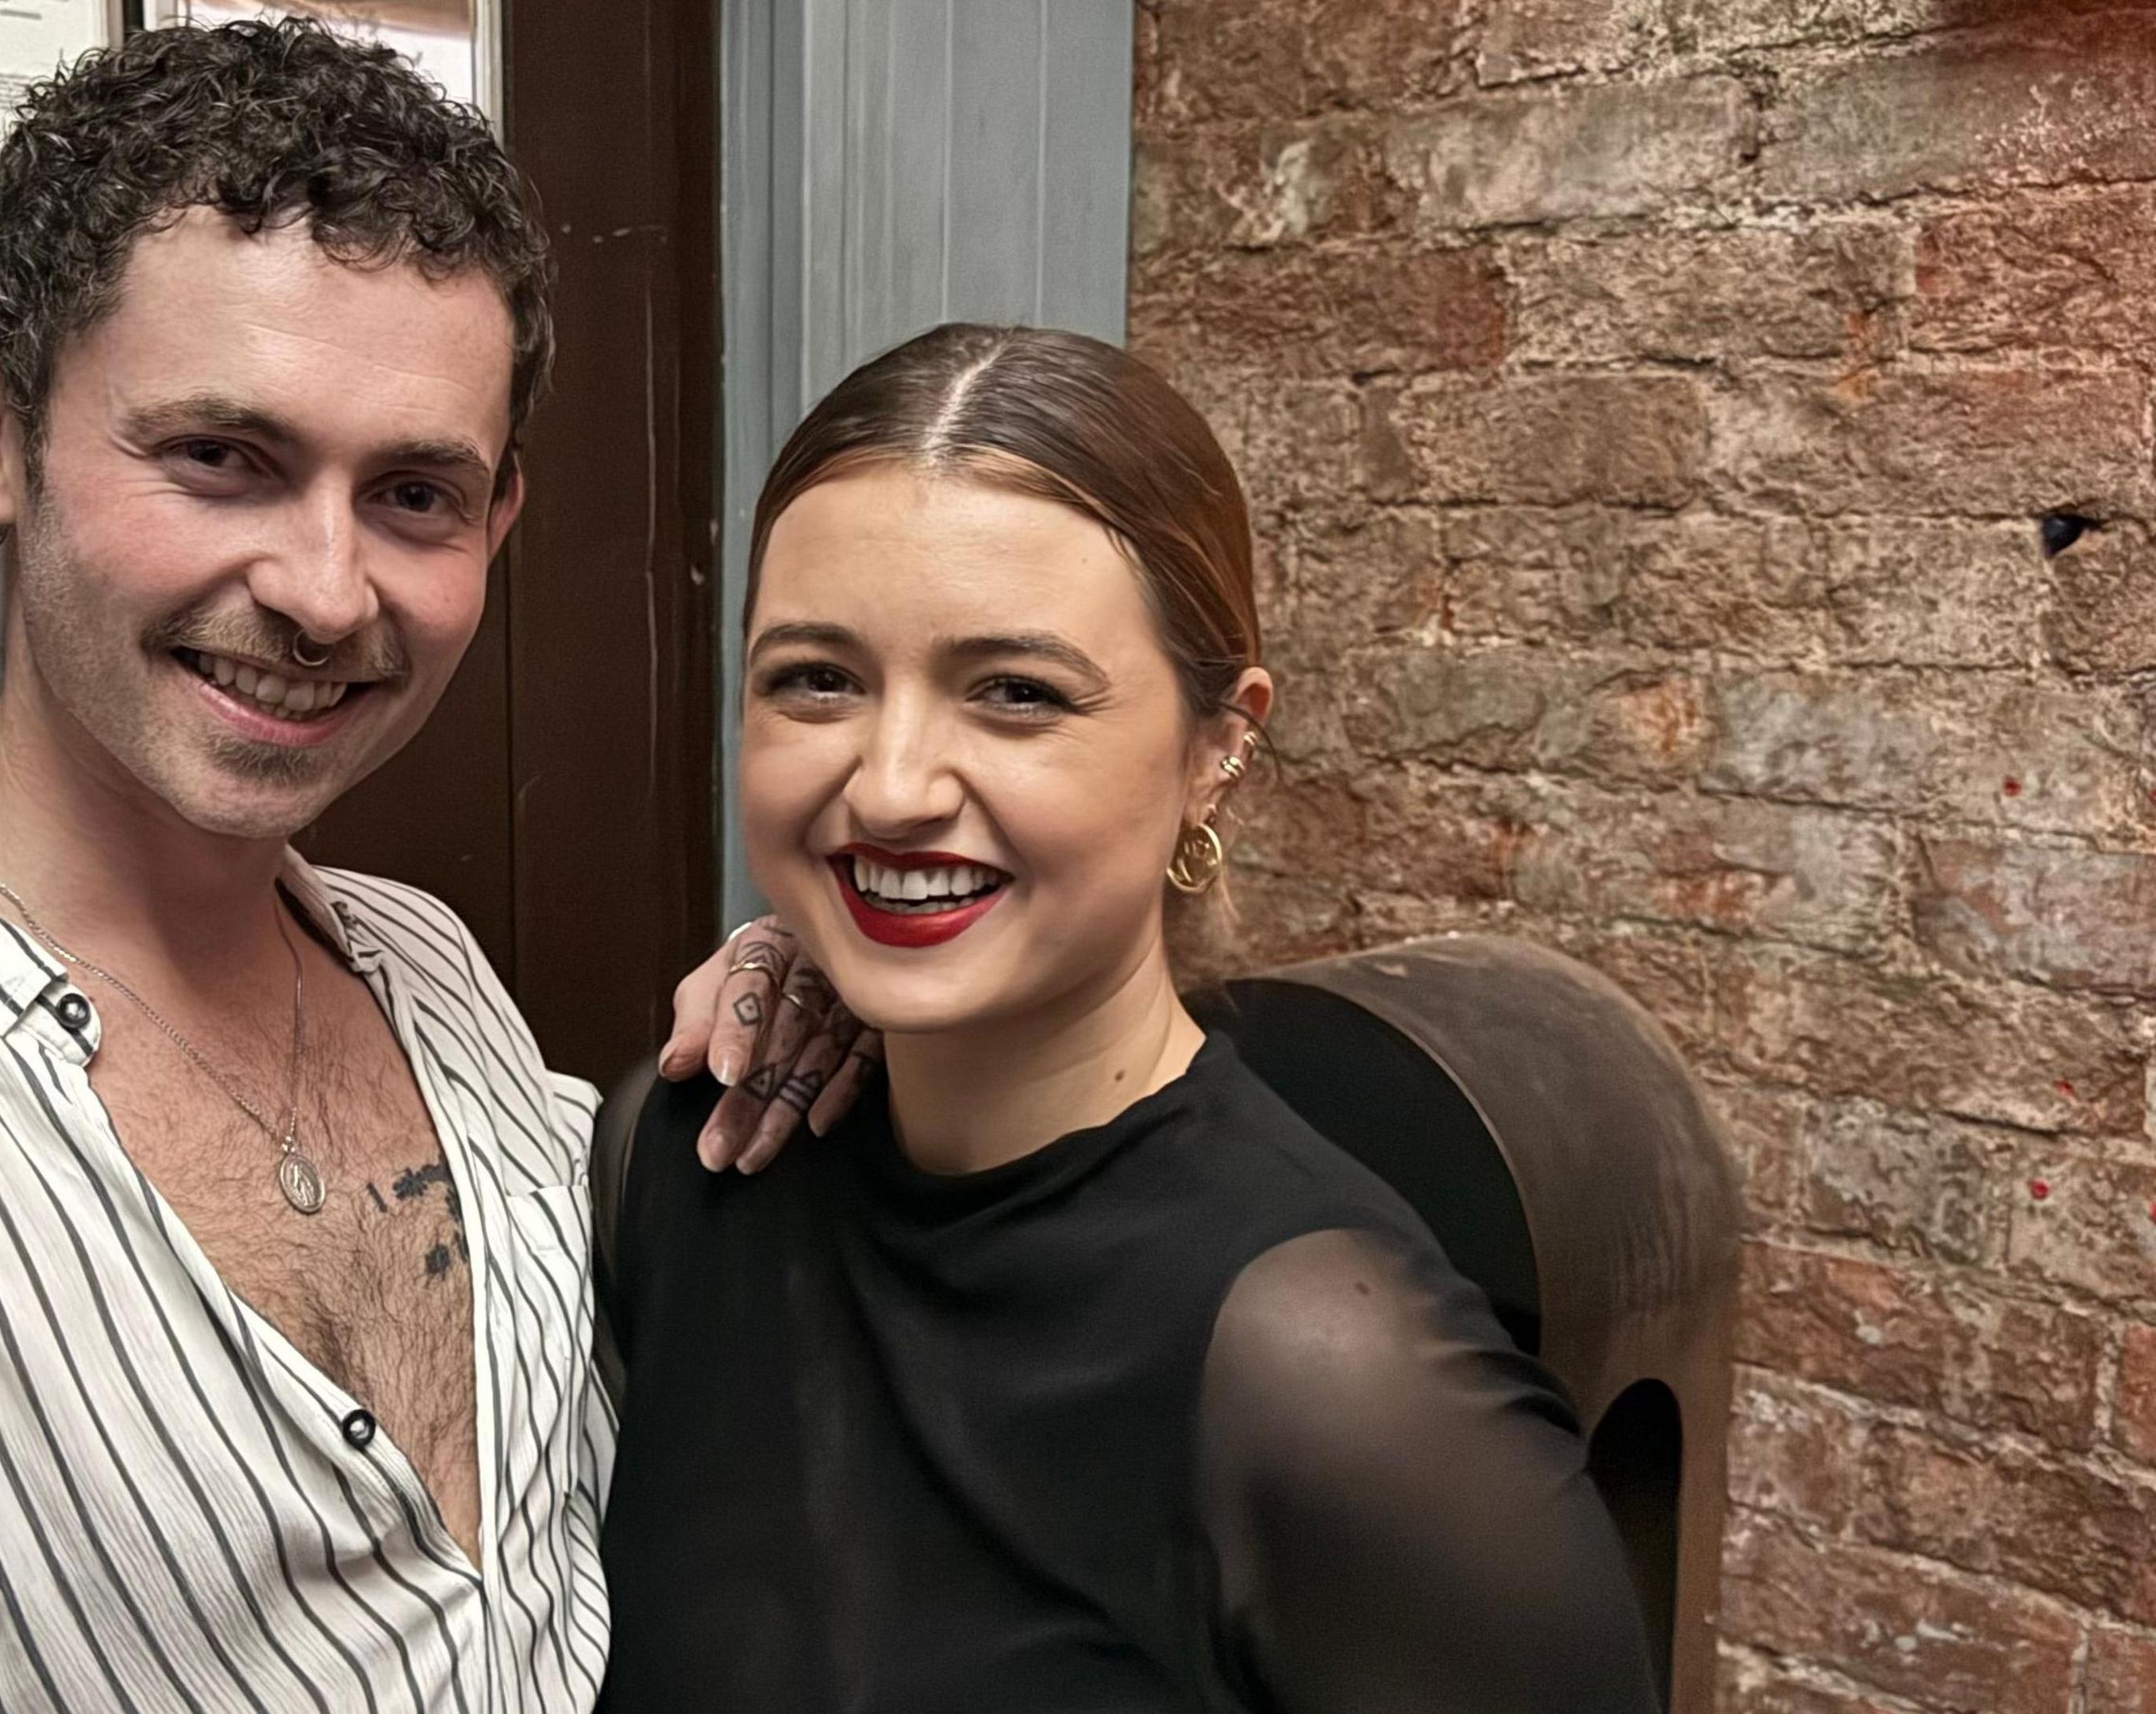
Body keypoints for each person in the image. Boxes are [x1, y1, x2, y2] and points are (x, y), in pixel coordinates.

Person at [0, 22, 836, 1712]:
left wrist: (851, 990)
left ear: (495, 529)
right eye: (221, 458)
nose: (329, 592)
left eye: (414, 494)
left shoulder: (429, 977)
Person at [595, 324, 1664, 1712]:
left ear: (1217, 748)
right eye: (818, 678)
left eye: (1017, 693)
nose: (894, 784)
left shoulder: (1331, 1381)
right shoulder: (679, 1166)